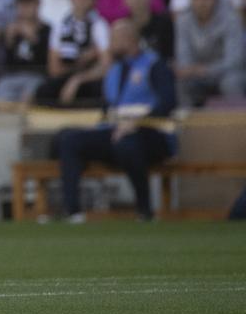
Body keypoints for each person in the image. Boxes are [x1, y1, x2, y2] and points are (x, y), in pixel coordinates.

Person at [55, 19, 177, 221]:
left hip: (152, 135)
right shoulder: (114, 70)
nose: (110, 45)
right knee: (69, 139)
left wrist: (135, 123)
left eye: (113, 39)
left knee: (127, 144)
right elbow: (109, 107)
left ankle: (144, 210)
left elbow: (168, 103)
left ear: (130, 40)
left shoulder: (155, 65)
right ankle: (73, 212)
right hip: (116, 131)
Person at [34, 0, 111, 108]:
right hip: (67, 73)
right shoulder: (60, 25)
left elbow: (106, 65)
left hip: (90, 77)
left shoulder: (99, 25)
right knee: (44, 91)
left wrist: (78, 79)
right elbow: (54, 68)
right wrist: (80, 62)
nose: (82, 1)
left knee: (96, 89)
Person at [174, 0, 245, 106]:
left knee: (231, 82)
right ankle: (186, 122)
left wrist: (206, 70)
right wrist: (192, 70)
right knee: (182, 82)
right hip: (197, 74)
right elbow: (184, 57)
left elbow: (235, 60)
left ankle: (237, 122)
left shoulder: (231, 19)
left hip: (226, 73)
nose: (201, 3)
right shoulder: (183, 21)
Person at [0, 0, 52, 104]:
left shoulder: (47, 30)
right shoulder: (12, 29)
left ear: (37, 4)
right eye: (21, 5)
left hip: (37, 76)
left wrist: (34, 39)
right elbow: (7, 64)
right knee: (1, 88)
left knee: (31, 91)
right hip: (13, 76)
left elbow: (47, 62)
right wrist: (9, 42)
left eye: (28, 4)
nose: (24, 9)